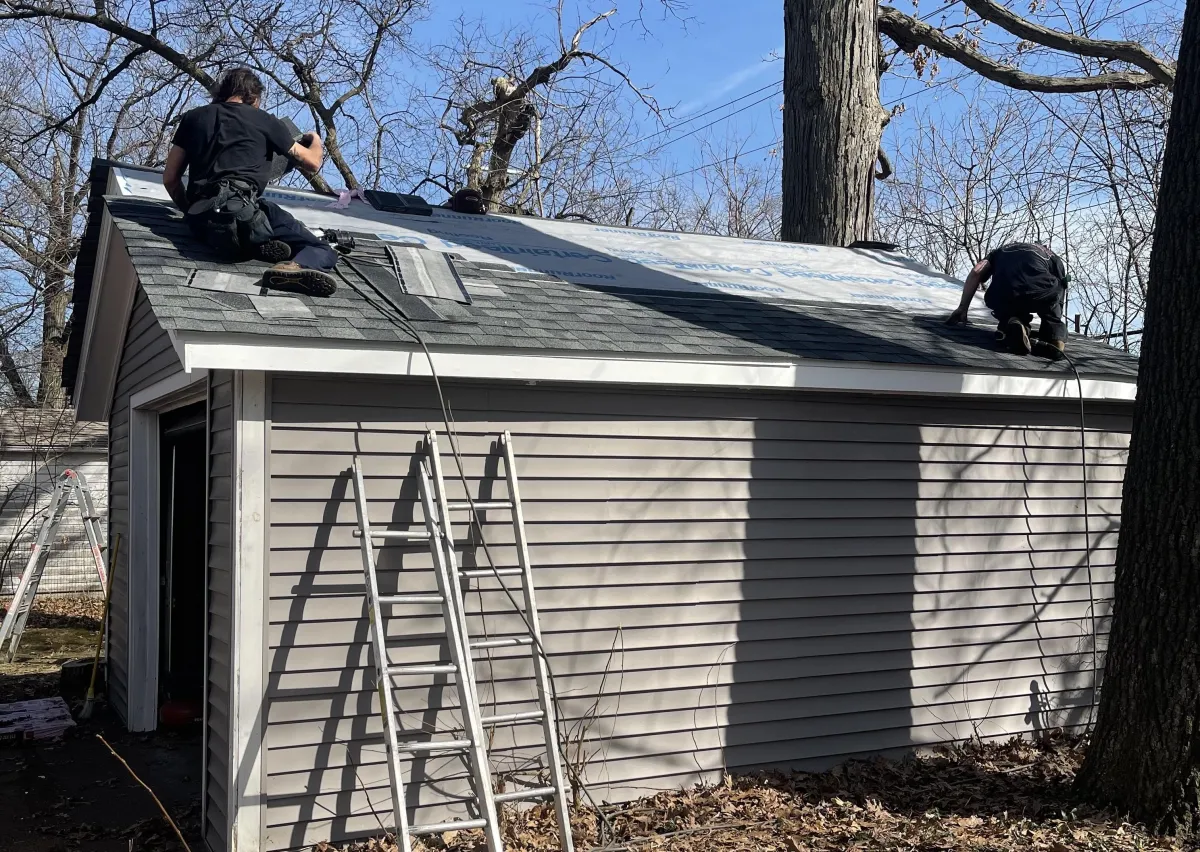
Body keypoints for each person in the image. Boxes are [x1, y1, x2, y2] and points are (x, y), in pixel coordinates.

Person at [162, 68, 339, 297]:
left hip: (201, 222)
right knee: (319, 247)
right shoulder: (265, 120)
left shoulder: (193, 117)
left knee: (238, 223)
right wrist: (315, 140)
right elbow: (312, 162)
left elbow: (170, 178)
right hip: (244, 211)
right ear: (253, 97)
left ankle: (257, 243)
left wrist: (189, 212)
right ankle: (294, 267)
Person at [945, 241, 1069, 358]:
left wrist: (963, 307)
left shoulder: (1000, 250)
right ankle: (1054, 338)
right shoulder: (1051, 256)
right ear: (1044, 247)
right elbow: (1061, 289)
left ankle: (1013, 323)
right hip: (1038, 290)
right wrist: (1054, 322)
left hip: (1000, 294)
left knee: (1007, 302)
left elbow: (977, 271)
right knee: (1057, 286)